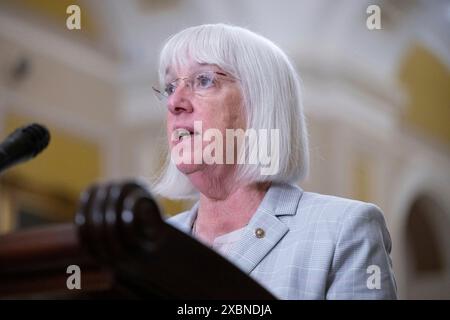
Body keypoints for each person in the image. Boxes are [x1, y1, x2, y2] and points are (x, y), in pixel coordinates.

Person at [152, 23, 397, 299]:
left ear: (261, 102)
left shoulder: (345, 230)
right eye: (171, 86)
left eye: (204, 80)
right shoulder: (150, 245)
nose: (175, 102)